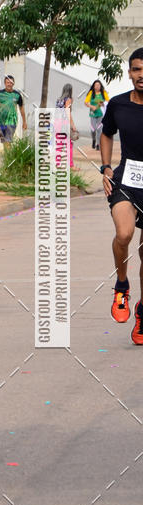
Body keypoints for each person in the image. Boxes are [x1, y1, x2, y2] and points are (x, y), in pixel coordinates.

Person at [100, 47, 143, 344]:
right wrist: (105, 167)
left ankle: (142, 314)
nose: (142, 75)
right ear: (129, 72)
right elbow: (106, 133)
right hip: (127, 179)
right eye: (137, 69)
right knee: (124, 234)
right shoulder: (117, 104)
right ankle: (122, 286)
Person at [0, 75, 27, 146]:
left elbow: (21, 108)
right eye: (7, 82)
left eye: (11, 83)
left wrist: (24, 121)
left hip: (12, 121)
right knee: (4, 142)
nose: (9, 84)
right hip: (1, 122)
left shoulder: (17, 95)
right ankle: (7, 157)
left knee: (8, 141)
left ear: (13, 83)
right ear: (5, 83)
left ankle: (8, 157)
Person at [56, 83, 77, 168]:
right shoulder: (68, 99)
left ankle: (57, 164)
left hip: (57, 122)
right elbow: (67, 112)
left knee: (59, 144)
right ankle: (71, 165)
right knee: (69, 144)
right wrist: (73, 125)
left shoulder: (58, 99)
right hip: (64, 123)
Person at [84, 79, 109, 150]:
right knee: (93, 129)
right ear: (94, 86)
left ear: (101, 86)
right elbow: (86, 102)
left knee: (99, 129)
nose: (97, 86)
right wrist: (92, 106)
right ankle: (94, 139)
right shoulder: (91, 93)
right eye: (96, 85)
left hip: (101, 113)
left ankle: (98, 144)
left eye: (99, 85)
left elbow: (108, 101)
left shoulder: (103, 93)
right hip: (92, 114)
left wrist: (103, 103)